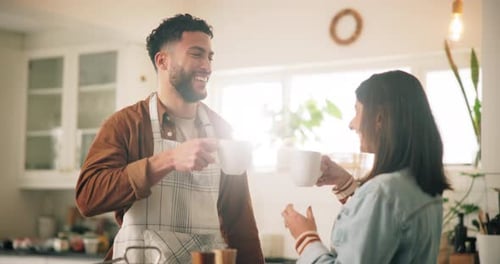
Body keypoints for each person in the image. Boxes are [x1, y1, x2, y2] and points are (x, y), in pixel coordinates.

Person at [75, 13, 264, 264]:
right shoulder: (127, 124)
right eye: (196, 54)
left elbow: (240, 224)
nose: (207, 66)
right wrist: (168, 160)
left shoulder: (223, 131)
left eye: (209, 57)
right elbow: (88, 197)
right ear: (163, 61)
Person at [281, 70, 451, 264]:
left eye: (357, 110)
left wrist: (305, 238)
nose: (351, 124)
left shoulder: (382, 193)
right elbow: (388, 228)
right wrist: (346, 184)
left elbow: (382, 208)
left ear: (379, 118)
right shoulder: (422, 185)